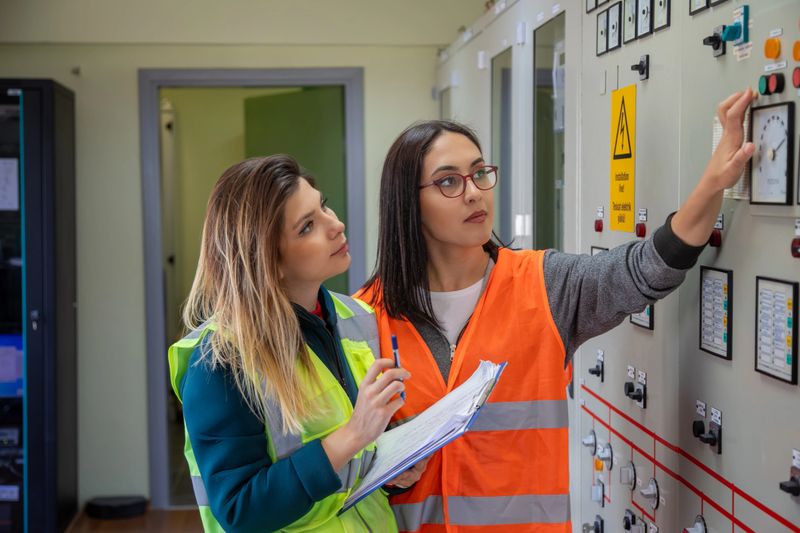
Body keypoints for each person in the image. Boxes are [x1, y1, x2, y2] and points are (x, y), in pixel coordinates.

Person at [356, 89, 757, 532]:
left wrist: (714, 182)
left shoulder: (544, 284)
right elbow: (345, 464)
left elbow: (648, 268)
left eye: (479, 174)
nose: (474, 194)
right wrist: (388, 473)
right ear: (407, 202)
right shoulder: (364, 316)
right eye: (449, 181)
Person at [168, 155, 422, 532]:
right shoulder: (219, 361)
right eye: (307, 227)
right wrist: (355, 434)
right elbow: (241, 510)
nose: (336, 225)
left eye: (323, 206)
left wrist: (391, 468)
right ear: (267, 260)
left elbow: (353, 460)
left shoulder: (357, 316)